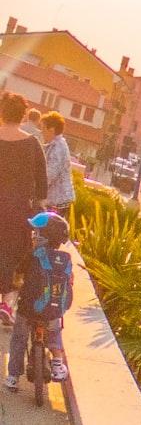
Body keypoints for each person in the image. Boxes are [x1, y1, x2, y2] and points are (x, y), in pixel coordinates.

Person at [5, 212, 72, 389]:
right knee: (55, 331)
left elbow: (19, 273)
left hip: (28, 309)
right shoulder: (64, 259)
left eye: (37, 232)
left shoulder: (33, 255)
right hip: (53, 310)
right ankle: (57, 363)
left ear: (43, 236)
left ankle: (13, 376)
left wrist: (17, 284)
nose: (34, 235)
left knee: (19, 339)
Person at [0, 94, 47, 327]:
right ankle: (7, 302)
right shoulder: (32, 144)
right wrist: (40, 205)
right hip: (19, 210)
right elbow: (42, 183)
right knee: (13, 254)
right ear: (23, 116)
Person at [38, 113, 74, 214]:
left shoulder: (58, 147)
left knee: (49, 228)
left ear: (51, 129)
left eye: (43, 129)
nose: (41, 132)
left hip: (57, 201)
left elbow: (49, 175)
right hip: (57, 200)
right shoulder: (56, 145)